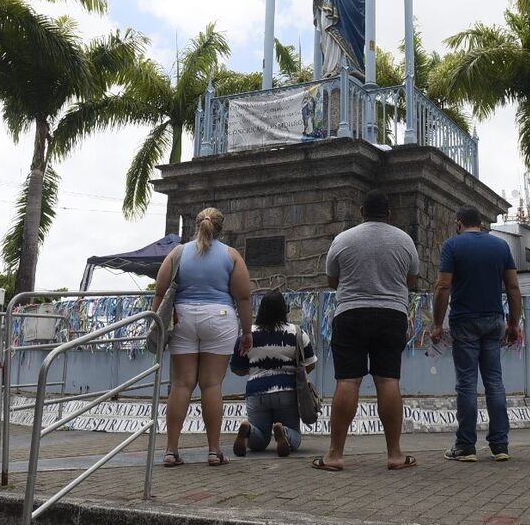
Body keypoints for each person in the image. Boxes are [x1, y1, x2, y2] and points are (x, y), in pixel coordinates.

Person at [313, 190, 419, 472]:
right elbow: (410, 279)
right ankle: (395, 455)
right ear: (389, 213)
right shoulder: (405, 241)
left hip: (350, 313)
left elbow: (333, 280)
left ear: (361, 211)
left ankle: (335, 455)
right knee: (388, 381)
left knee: (348, 381)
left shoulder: (343, 240)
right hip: (392, 313)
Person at [153, 207, 253, 467]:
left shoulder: (178, 253)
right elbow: (243, 296)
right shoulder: (231, 255)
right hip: (219, 317)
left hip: (182, 316)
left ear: (195, 226)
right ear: (221, 228)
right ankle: (213, 451)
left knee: (181, 385)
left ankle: (171, 451)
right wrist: (247, 331)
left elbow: (160, 290)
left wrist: (155, 322)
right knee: (211, 385)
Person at [430, 206, 521, 463]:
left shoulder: (453, 246)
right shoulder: (501, 247)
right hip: (494, 320)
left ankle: (466, 446)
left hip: (465, 321)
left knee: (467, 383)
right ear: (480, 224)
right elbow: (513, 287)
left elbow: (443, 285)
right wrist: (514, 323)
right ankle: (500, 445)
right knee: (494, 382)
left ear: (459, 224)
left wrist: (437, 323)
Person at [230, 290, 317, 457]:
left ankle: (248, 430)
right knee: (295, 436)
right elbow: (310, 363)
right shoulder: (297, 332)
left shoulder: (247, 335)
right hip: (287, 392)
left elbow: (237, 369)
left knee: (259, 441)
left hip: (256, 392)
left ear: (260, 310)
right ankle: (283, 431)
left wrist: (255, 369)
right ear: (284, 310)